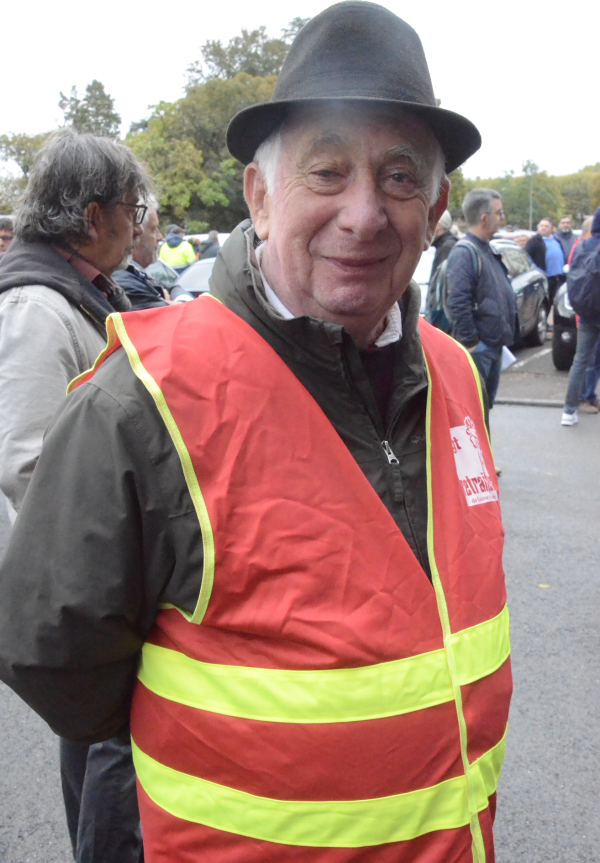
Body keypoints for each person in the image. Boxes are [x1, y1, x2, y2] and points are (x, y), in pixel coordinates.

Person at [0, 5, 511, 862]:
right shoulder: (143, 400)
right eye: (326, 172)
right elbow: (55, 652)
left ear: (436, 207)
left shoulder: (454, 372)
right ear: (260, 196)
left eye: (396, 178)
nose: (363, 213)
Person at [0, 129, 148, 863]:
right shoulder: (34, 305)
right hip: (82, 583)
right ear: (93, 217)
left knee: (108, 761)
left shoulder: (75, 290)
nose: (139, 219)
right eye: (131, 205)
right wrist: (118, 549)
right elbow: (26, 461)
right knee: (100, 759)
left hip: (98, 577)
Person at [446, 189, 517, 406]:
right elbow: (458, 302)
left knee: (484, 410)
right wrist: (472, 343)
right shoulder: (465, 252)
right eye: (499, 212)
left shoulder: (485, 249)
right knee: (473, 413)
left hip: (492, 347)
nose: (502, 218)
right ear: (484, 218)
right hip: (480, 350)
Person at [561, 206, 600, 425]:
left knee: (581, 360)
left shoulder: (582, 246)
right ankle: (588, 396)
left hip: (586, 313)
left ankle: (568, 411)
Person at [113, 201, 170, 310]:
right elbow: (170, 314)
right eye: (153, 229)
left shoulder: (137, 272)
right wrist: (166, 301)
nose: (160, 237)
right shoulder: (122, 279)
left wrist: (173, 300)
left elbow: (172, 287)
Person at [525, 218, 566, 305]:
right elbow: (527, 257)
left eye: (546, 226)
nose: (543, 228)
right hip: (545, 278)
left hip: (558, 278)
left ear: (551, 228)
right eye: (541, 226)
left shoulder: (556, 240)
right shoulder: (534, 241)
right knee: (546, 303)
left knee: (557, 303)